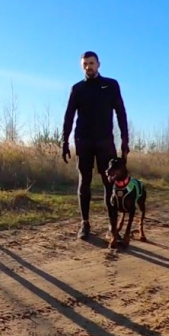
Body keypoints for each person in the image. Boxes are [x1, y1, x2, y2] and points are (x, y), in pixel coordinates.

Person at [61, 51, 130, 240]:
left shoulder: (111, 85)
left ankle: (112, 226)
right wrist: (64, 141)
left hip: (105, 141)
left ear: (98, 64)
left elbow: (121, 113)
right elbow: (69, 116)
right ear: (81, 66)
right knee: (84, 180)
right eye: (85, 64)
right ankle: (85, 223)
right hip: (83, 141)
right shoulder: (77, 89)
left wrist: (125, 139)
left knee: (109, 182)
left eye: (91, 63)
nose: (88, 67)